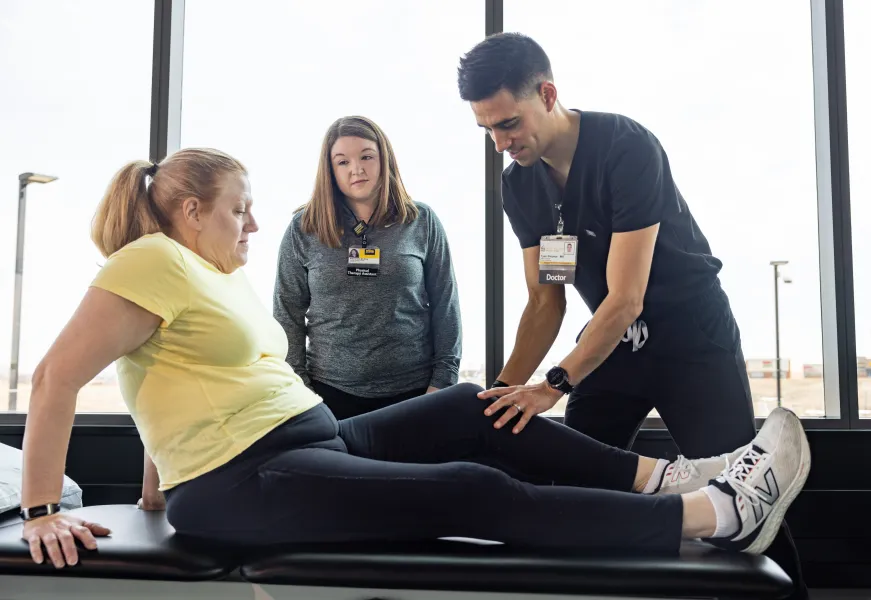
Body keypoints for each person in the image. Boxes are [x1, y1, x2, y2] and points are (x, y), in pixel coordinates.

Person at [18, 148, 810, 570]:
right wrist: (44, 509)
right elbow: (57, 377)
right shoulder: (150, 259)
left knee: (475, 405)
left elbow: (164, 381)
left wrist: (153, 495)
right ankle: (713, 518)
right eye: (238, 209)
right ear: (191, 212)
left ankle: (669, 475)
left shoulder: (203, 272)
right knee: (469, 491)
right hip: (243, 481)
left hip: (307, 442)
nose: (252, 224)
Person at [456, 32, 808, 598]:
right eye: (488, 130)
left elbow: (626, 298)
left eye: (508, 124)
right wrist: (500, 391)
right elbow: (547, 300)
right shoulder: (519, 184)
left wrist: (554, 384)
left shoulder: (626, 146)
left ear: (547, 94)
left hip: (690, 338)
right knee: (576, 478)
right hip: (613, 344)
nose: (500, 142)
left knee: (743, 491)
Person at [274, 116, 462, 420]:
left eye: (366, 156)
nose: (356, 169)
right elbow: (287, 313)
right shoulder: (303, 227)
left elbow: (446, 304)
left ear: (384, 159)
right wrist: (301, 391)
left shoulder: (422, 221)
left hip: (414, 394)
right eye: (342, 162)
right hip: (328, 396)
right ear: (330, 170)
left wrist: (442, 383)